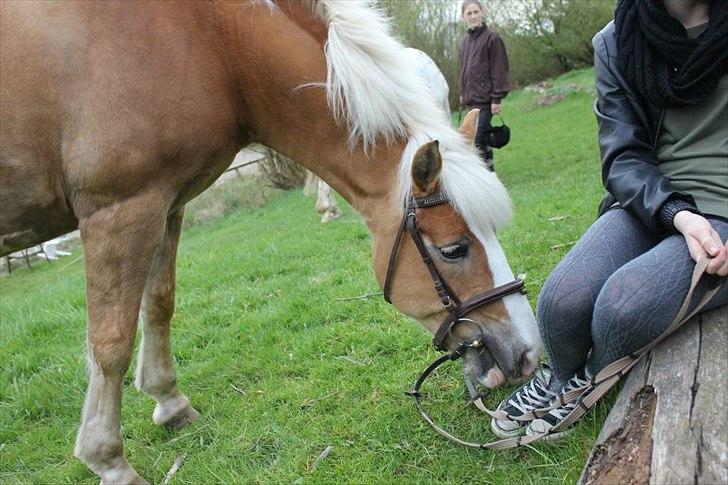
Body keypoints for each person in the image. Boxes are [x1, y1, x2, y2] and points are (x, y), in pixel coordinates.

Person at [489, 0, 728, 440]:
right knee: (562, 300)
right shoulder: (618, 41)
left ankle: (594, 378)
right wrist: (676, 214)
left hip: (724, 219)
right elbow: (623, 157)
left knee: (622, 307)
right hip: (651, 200)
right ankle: (563, 378)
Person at [458, 0, 509, 171]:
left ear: (482, 12)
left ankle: (486, 174)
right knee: (481, 138)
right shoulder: (465, 41)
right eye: (469, 13)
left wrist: (496, 99)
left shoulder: (492, 39)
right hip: (471, 99)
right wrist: (463, 93)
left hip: (486, 99)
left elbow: (499, 69)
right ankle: (489, 171)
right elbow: (465, 70)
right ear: (463, 16)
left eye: (475, 12)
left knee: (478, 138)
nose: (473, 16)